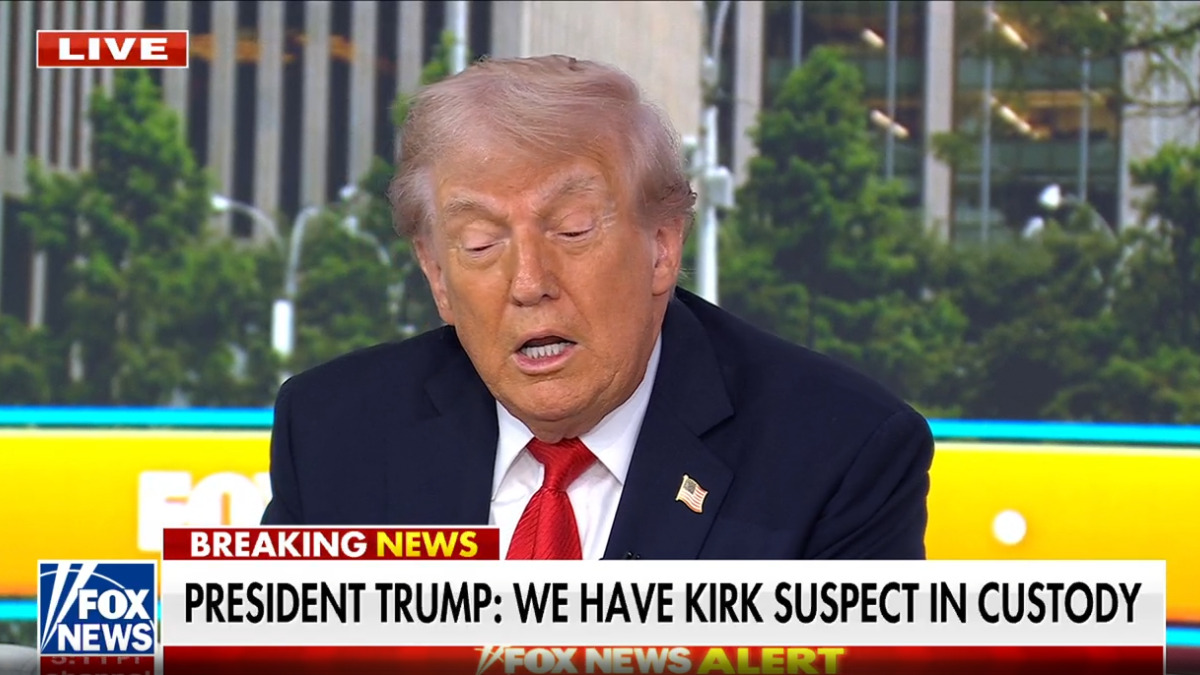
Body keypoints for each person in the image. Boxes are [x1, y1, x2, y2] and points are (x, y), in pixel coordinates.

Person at [261, 54, 934, 560]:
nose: (529, 282)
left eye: (572, 230)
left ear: (662, 246)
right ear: (437, 274)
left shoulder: (840, 457)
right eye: (481, 243)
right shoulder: (333, 433)